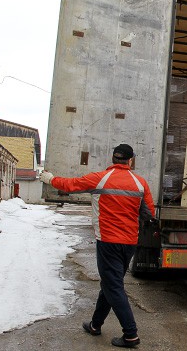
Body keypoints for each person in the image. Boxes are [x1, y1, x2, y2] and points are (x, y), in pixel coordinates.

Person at [40, 143, 155, 348]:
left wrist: (49, 179)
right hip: (129, 243)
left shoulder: (100, 178)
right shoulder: (140, 183)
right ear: (131, 160)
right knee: (110, 284)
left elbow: (69, 185)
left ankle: (131, 334)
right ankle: (95, 325)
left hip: (108, 242)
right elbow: (149, 214)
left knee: (113, 286)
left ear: (113, 159)